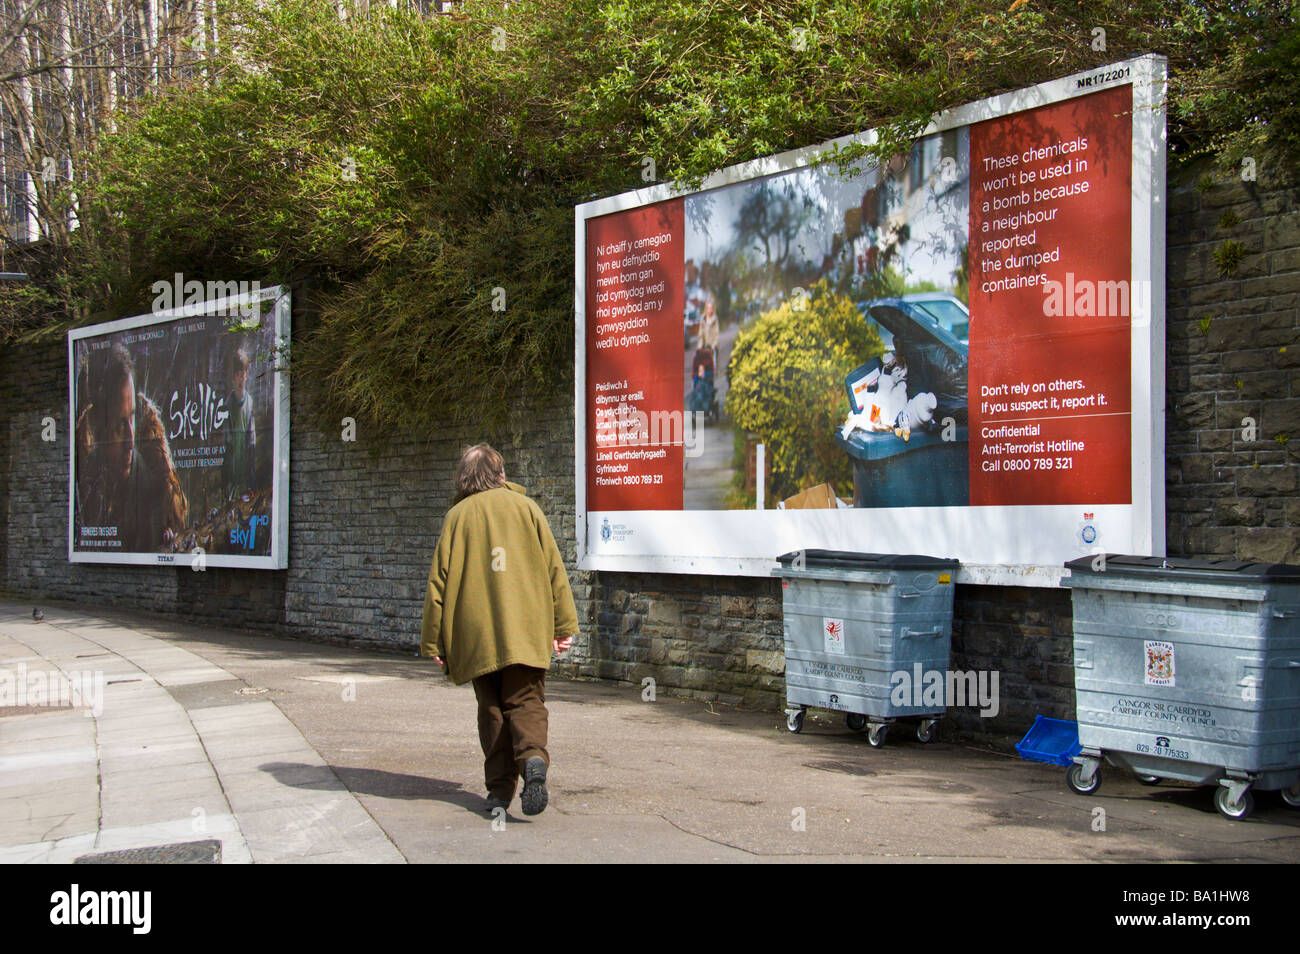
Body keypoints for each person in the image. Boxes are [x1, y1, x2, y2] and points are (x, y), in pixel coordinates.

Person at [420, 443, 579, 817]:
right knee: (526, 700)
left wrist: (434, 639)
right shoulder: (527, 509)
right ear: (501, 474)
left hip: (476, 635)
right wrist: (564, 625)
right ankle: (533, 761)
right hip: (526, 627)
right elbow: (554, 569)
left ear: (463, 478)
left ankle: (499, 792)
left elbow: (438, 584)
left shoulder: (457, 517)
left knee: (491, 709)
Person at [222, 346, 256, 500]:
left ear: (247, 375)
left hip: (245, 451)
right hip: (232, 452)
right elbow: (226, 435)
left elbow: (252, 430)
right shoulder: (228, 404)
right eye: (237, 374)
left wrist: (251, 444)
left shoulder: (249, 402)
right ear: (232, 378)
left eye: (243, 374)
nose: (241, 378)